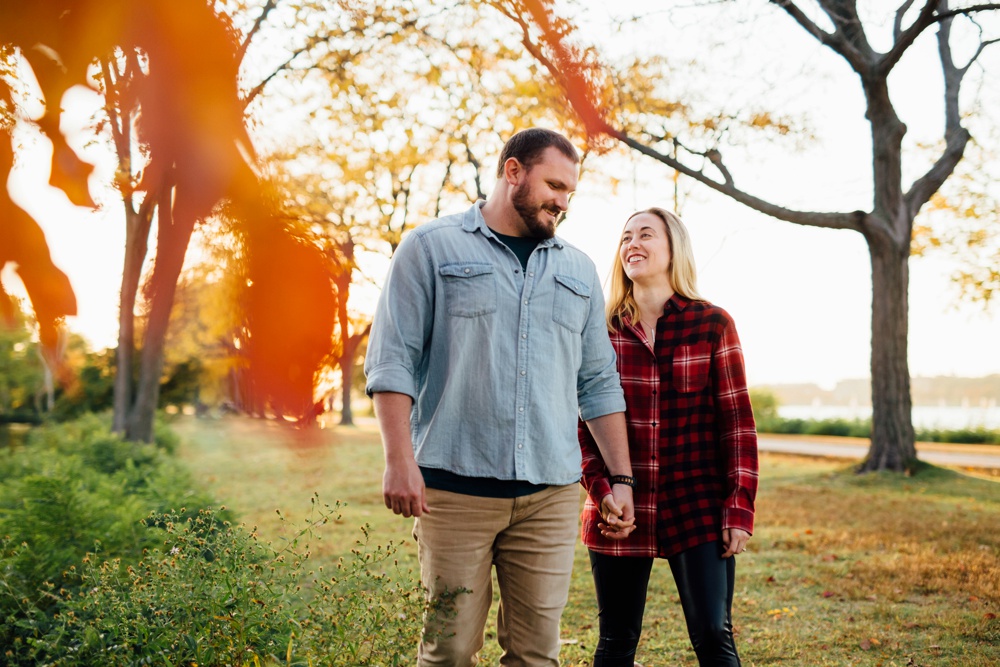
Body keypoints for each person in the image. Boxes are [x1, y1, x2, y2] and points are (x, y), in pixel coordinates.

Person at [364, 127, 636, 667]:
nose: (562, 201)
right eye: (554, 185)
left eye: (570, 193)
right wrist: (399, 461)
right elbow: (391, 360)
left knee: (537, 655)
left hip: (550, 495)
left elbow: (599, 382)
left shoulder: (577, 270)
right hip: (453, 493)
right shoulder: (429, 247)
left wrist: (622, 479)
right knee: (449, 651)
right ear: (513, 172)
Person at [579, 207, 759, 667]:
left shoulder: (712, 323)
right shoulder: (599, 332)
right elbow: (578, 426)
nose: (632, 244)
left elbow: (736, 421)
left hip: (696, 503)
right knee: (616, 643)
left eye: (645, 235)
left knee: (713, 637)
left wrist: (739, 506)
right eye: (625, 237)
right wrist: (602, 494)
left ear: (673, 247)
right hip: (620, 506)